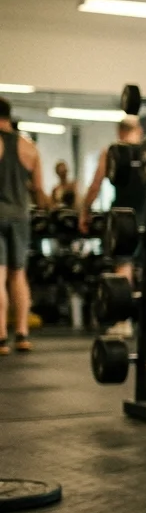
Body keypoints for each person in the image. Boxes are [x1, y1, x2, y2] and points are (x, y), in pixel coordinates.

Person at [79, 116, 146, 338]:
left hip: (123, 217)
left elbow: (96, 184)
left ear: (119, 132)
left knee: (124, 267)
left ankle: (123, 321)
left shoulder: (111, 152)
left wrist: (85, 210)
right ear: (140, 130)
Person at [0, 97, 46, 355]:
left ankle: (1, 338)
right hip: (20, 216)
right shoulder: (28, 147)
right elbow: (38, 188)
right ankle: (22, 334)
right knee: (18, 275)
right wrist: (42, 210)